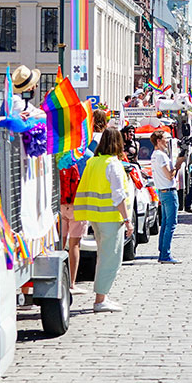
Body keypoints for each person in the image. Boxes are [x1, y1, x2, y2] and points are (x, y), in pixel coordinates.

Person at [71, 128, 134, 312]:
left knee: (103, 257)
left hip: (96, 217)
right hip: (111, 219)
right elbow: (119, 195)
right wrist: (128, 220)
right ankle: (100, 299)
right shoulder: (113, 164)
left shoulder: (93, 161)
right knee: (110, 259)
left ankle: (102, 296)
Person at [58, 107, 107, 288]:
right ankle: (71, 283)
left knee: (59, 244)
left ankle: (56, 279)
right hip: (79, 204)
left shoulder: (60, 153)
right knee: (74, 245)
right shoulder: (86, 155)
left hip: (60, 202)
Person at [149, 129, 187, 263]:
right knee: (170, 223)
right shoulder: (161, 155)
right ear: (158, 141)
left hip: (162, 191)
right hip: (169, 191)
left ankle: (162, 250)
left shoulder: (154, 155)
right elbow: (170, 175)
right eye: (165, 138)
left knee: (164, 223)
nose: (167, 141)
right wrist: (179, 163)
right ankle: (165, 254)